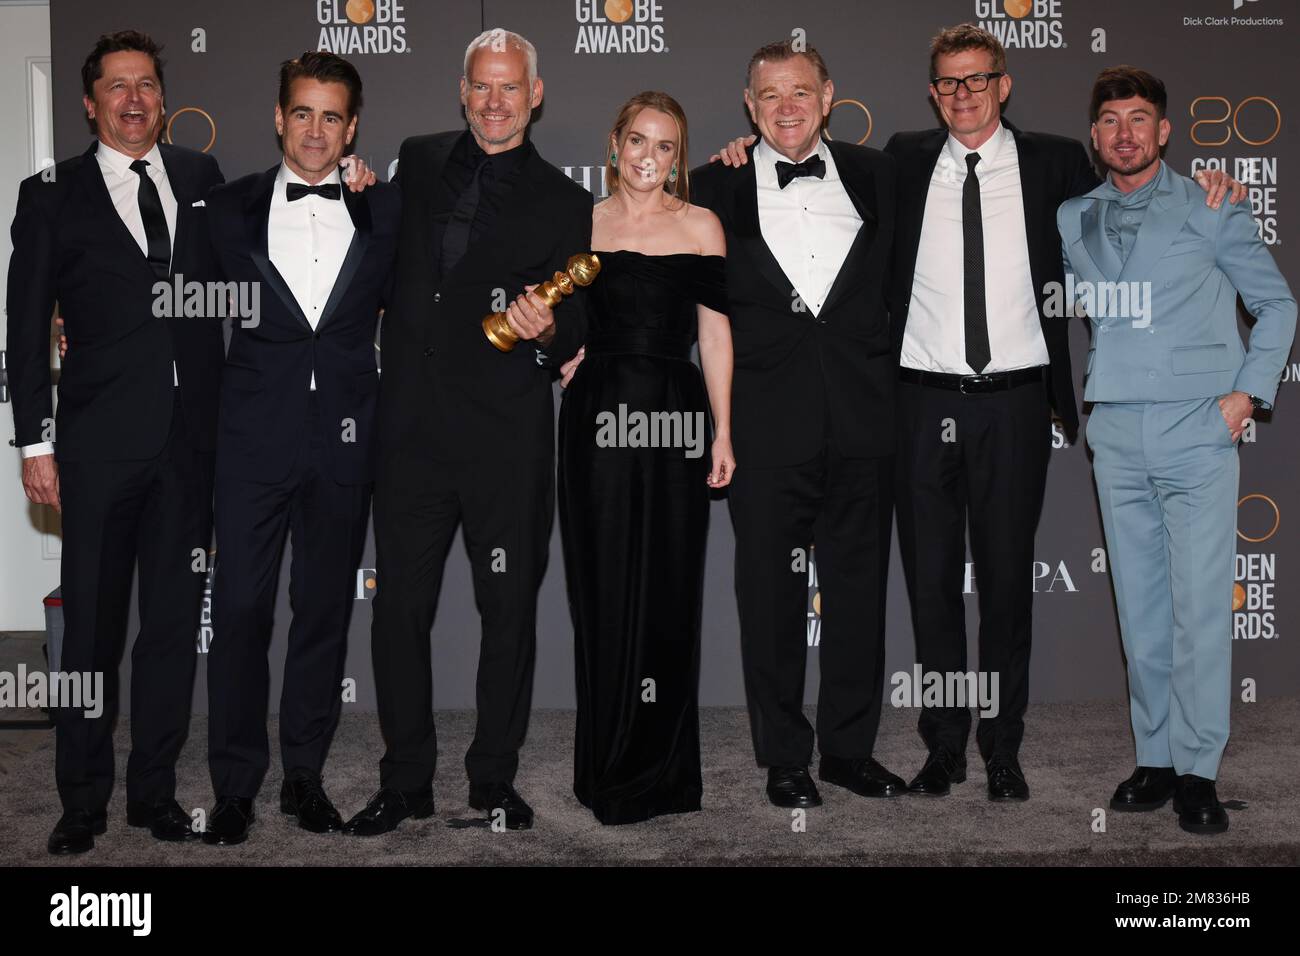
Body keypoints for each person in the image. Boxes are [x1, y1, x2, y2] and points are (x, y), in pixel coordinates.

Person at [716, 24, 1241, 802]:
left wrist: (1207, 186)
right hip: (918, 403)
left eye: (978, 79)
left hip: (1017, 404)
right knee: (930, 588)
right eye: (948, 82)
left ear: (1004, 84)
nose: (963, 94)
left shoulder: (1058, 161)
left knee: (1004, 587)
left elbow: (1133, 186)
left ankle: (1003, 747)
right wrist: (741, 148)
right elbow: (793, 152)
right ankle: (943, 748)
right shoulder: (897, 159)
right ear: (934, 93)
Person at [345, 28, 592, 835]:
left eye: (510, 88)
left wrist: (547, 325)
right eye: (482, 88)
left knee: (508, 613)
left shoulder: (563, 199)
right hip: (410, 432)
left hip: (506, 440)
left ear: (536, 93)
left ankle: (493, 779)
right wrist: (351, 187)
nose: (495, 103)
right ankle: (405, 778)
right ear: (462, 91)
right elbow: (372, 240)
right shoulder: (416, 161)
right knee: (397, 615)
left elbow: (580, 318)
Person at [1061, 66, 1295, 834]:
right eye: (1109, 120)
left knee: (1199, 610)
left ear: (1163, 132)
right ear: (1095, 135)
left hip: (1197, 426)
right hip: (1116, 431)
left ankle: (1199, 769)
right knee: (1142, 610)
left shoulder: (1211, 204)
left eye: (1139, 118)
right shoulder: (1073, 217)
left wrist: (1246, 394)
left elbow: (1276, 303)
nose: (1123, 132)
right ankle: (1155, 757)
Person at [7, 30, 224, 854]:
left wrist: (354, 185)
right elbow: (24, 330)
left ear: (163, 100)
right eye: (116, 87)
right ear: (90, 102)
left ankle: (154, 794)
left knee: (170, 627)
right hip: (97, 447)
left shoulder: (201, 179)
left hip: (189, 448)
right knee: (92, 630)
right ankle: (83, 799)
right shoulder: (49, 193)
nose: (133, 99)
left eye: (146, 86)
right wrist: (35, 442)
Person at [690, 40, 906, 809]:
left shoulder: (883, 174)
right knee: (772, 601)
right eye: (770, 94)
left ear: (828, 96)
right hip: (763, 427)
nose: (787, 106)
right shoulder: (710, 185)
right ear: (749, 106)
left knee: (858, 596)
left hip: (865, 423)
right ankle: (784, 755)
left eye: (801, 91)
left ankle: (849, 751)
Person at [199, 51, 399, 846]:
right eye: (303, 113)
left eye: (332, 116)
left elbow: (427, 309)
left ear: (352, 128)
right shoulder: (224, 210)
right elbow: (183, 318)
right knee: (242, 611)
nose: (316, 130)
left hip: (347, 444)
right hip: (249, 442)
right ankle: (236, 786)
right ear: (279, 117)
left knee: (321, 613)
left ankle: (304, 779)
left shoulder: (385, 211)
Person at [559, 92, 732, 825]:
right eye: (638, 141)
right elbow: (559, 311)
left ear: (678, 157)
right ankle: (606, 765)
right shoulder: (583, 221)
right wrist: (568, 354)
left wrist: (723, 431)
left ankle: (662, 771)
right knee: (600, 585)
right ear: (615, 142)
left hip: (674, 415)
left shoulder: (701, 226)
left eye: (664, 147)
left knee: (668, 585)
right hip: (598, 413)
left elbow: (716, 335)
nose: (648, 158)